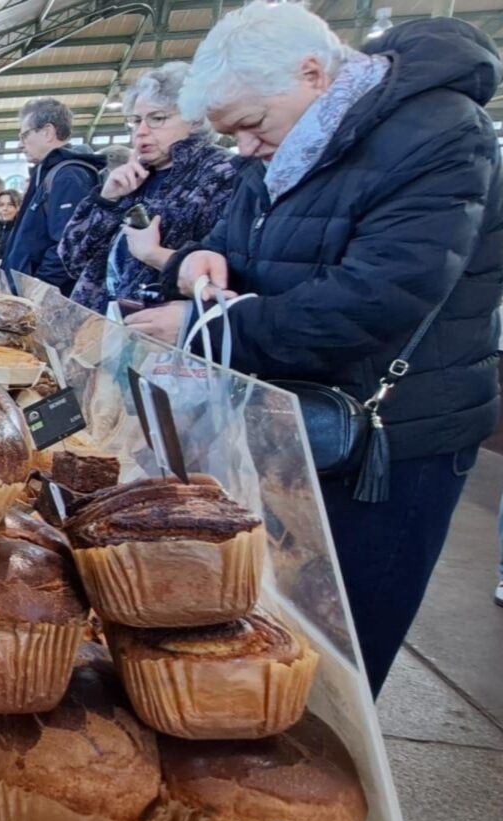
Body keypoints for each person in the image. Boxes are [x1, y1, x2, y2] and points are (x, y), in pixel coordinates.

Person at [127, 2, 502, 696]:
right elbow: (249, 251)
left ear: (311, 75)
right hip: (294, 420)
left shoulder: (441, 131)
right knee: (268, 632)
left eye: (250, 126)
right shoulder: (290, 143)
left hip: (392, 444)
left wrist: (217, 330)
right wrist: (206, 259)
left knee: (338, 660)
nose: (242, 147)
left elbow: (380, 297)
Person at [58, 64, 237, 313]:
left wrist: (154, 254)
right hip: (98, 326)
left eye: (157, 118)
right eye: (136, 121)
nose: (141, 132)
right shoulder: (133, 177)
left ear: (195, 119)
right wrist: (106, 199)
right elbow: (72, 258)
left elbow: (224, 275)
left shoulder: (222, 175)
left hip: (160, 335)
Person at [0, 98, 106, 296]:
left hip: (45, 297)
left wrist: (37, 286)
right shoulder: (48, 173)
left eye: (24, 135)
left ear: (48, 132)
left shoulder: (69, 177)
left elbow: (67, 245)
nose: (20, 144)